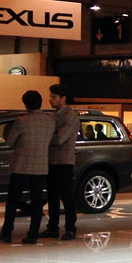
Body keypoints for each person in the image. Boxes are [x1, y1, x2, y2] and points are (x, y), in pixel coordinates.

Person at [0, 90, 54, 244]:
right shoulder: (50, 121)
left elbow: (10, 142)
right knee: (37, 202)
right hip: (40, 166)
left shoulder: (21, 121)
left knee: (13, 200)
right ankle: (33, 235)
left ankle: (7, 232)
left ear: (26, 104)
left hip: (21, 166)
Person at [43, 83, 81, 240]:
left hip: (65, 161)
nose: (50, 99)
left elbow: (60, 139)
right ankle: (53, 227)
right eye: (50, 96)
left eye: (54, 97)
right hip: (52, 161)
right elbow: (55, 136)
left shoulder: (71, 116)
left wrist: (48, 136)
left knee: (67, 196)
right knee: (52, 196)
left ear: (63, 98)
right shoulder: (53, 115)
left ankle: (70, 228)